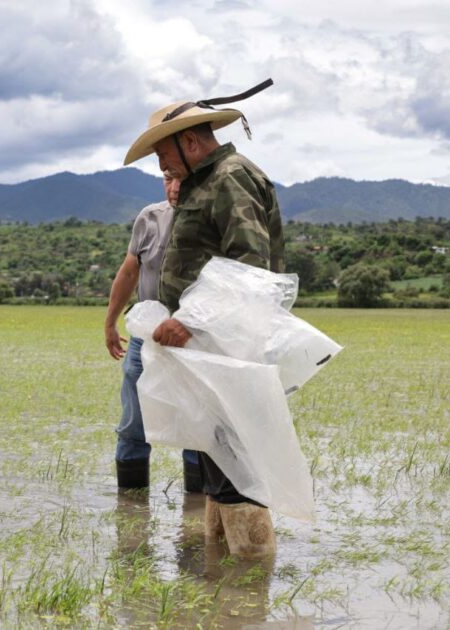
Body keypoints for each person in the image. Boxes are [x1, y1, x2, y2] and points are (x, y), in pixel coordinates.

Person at [122, 79, 283, 558]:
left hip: (228, 351)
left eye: (163, 155)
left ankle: (251, 583)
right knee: (218, 467)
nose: (162, 166)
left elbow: (249, 267)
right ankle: (222, 583)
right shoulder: (204, 182)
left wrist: (189, 320)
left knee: (237, 470)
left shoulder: (230, 177)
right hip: (208, 352)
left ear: (191, 142)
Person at [104, 175, 203, 493]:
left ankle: (196, 512)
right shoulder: (149, 218)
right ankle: (131, 510)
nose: (174, 187)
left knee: (199, 426)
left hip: (195, 339)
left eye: (182, 180)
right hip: (143, 339)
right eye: (168, 179)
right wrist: (110, 321)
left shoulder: (211, 222)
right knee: (133, 423)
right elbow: (129, 271)